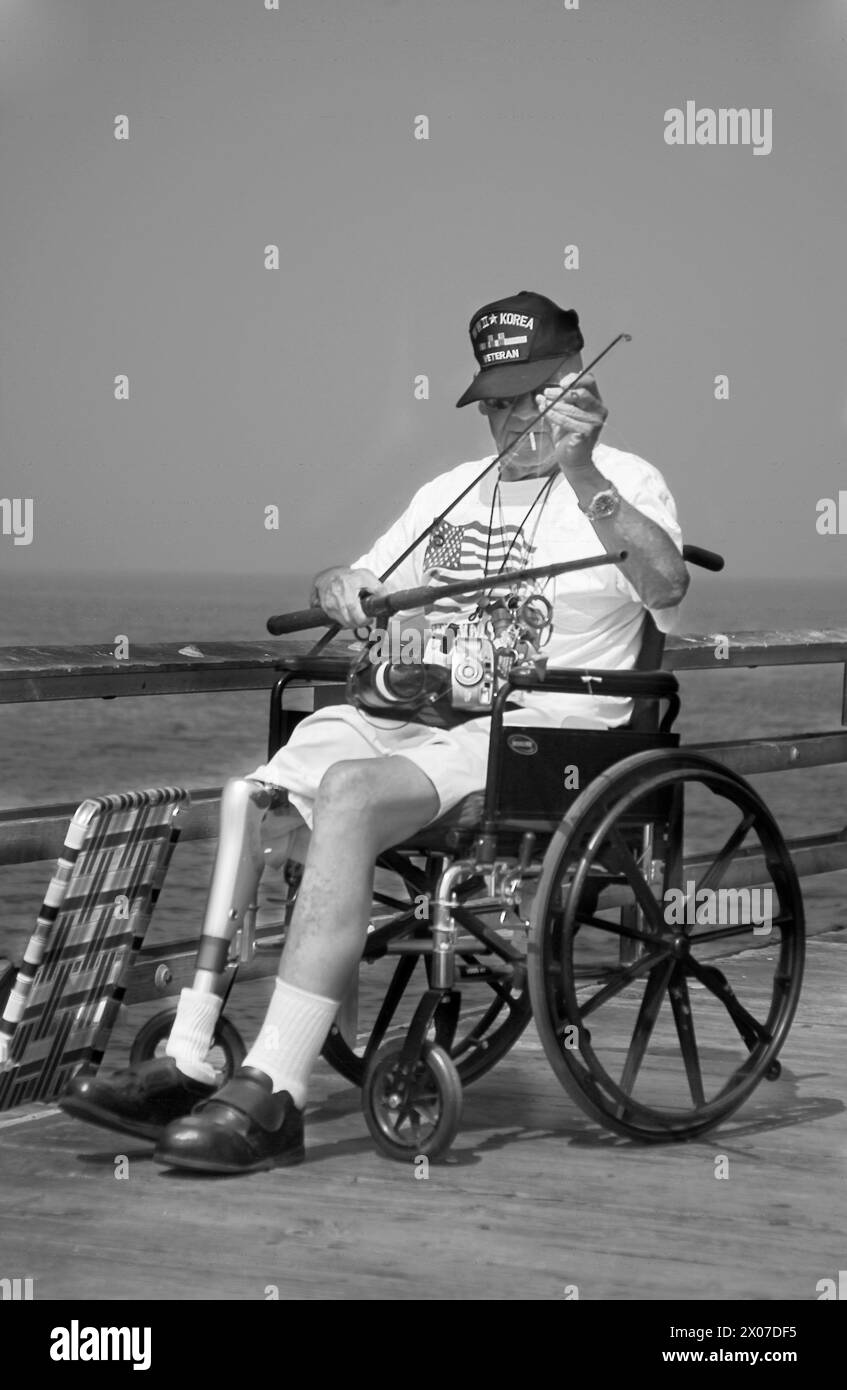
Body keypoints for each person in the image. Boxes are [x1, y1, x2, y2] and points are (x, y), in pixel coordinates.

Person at [59, 289, 688, 1173]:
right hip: (419, 712)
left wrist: (584, 475)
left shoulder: (626, 480)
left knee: (349, 796)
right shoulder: (445, 492)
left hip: (541, 732)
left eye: (527, 396)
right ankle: (192, 1054)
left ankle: (274, 1092)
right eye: (496, 401)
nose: (509, 419)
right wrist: (341, 582)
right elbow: (359, 569)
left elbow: (664, 588)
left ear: (574, 385)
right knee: (251, 796)